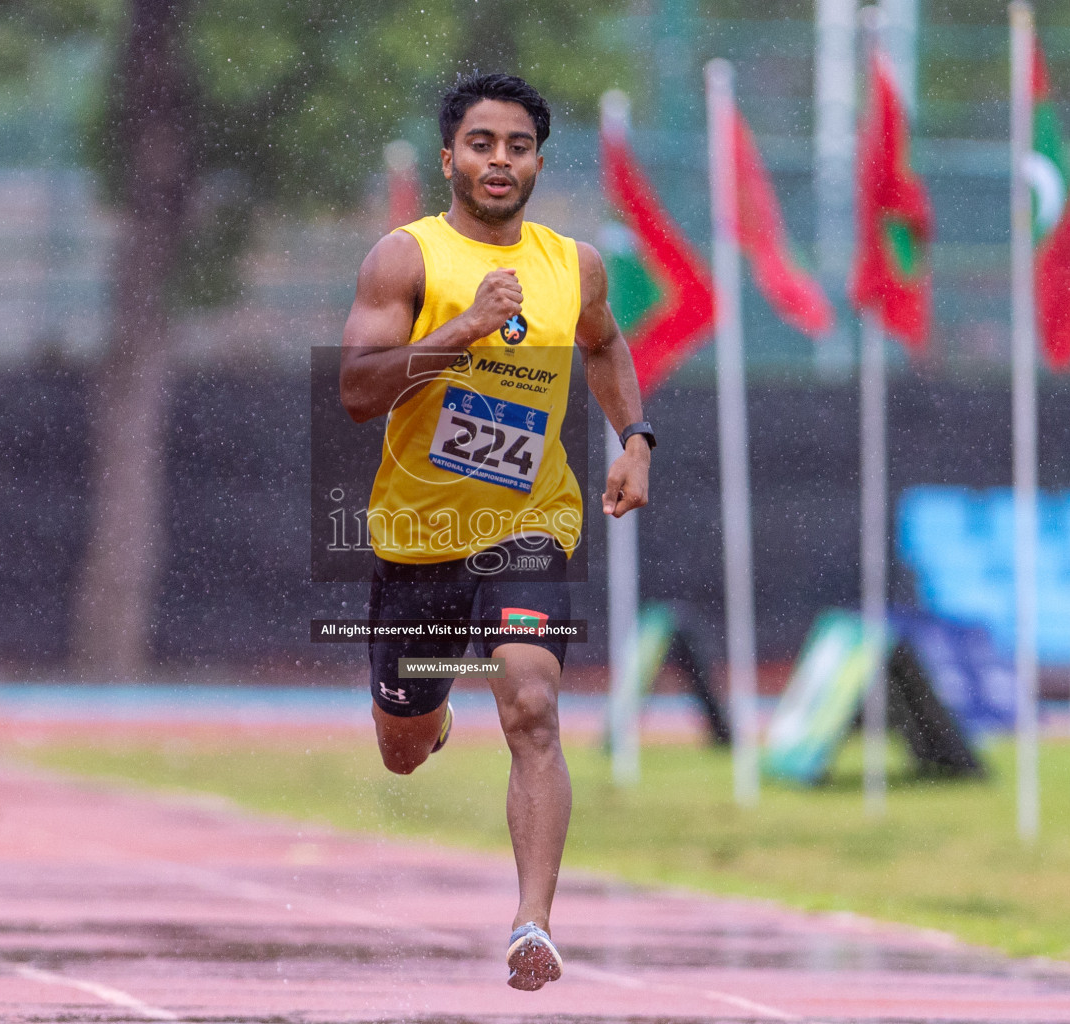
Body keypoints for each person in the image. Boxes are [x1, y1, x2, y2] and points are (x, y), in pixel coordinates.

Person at [339, 74, 655, 990]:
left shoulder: (573, 267)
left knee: (531, 703)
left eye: (517, 146)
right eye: (481, 144)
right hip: (417, 538)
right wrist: (465, 329)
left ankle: (533, 924)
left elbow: (602, 343)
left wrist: (633, 437)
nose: (499, 161)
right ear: (450, 158)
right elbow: (359, 392)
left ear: (537, 163)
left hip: (530, 527)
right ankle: (426, 720)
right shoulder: (406, 260)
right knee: (400, 748)